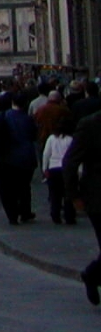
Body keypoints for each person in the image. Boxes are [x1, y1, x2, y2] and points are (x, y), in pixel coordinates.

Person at [64, 110, 101, 305]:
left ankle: (93, 275)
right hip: (97, 197)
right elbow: (70, 161)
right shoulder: (89, 125)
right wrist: (74, 195)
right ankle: (92, 275)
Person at [0, 94, 38, 224]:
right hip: (26, 156)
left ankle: (12, 214)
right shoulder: (28, 119)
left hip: (5, 157)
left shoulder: (2, 116)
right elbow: (34, 135)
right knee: (24, 186)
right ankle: (25, 211)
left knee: (7, 188)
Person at [41, 113, 76, 226]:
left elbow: (46, 154)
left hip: (53, 167)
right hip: (67, 169)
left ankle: (55, 215)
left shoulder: (51, 138)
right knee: (68, 194)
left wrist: (44, 168)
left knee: (55, 194)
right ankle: (69, 216)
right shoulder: (71, 140)